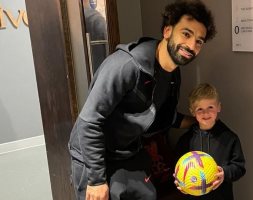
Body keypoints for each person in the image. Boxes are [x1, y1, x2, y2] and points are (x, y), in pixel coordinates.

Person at [68, 0, 216, 199]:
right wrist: (96, 180)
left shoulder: (173, 74)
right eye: (186, 34)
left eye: (199, 41)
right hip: (94, 155)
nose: (191, 45)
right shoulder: (126, 66)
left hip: (128, 151)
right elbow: (89, 122)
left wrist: (199, 119)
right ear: (167, 31)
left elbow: (164, 118)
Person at [175, 83, 246, 200]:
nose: (205, 113)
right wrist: (179, 180)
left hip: (220, 196)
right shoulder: (185, 140)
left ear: (219, 107)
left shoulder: (230, 138)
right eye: (200, 109)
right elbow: (177, 166)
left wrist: (225, 173)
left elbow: (239, 168)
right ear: (192, 112)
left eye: (210, 107)